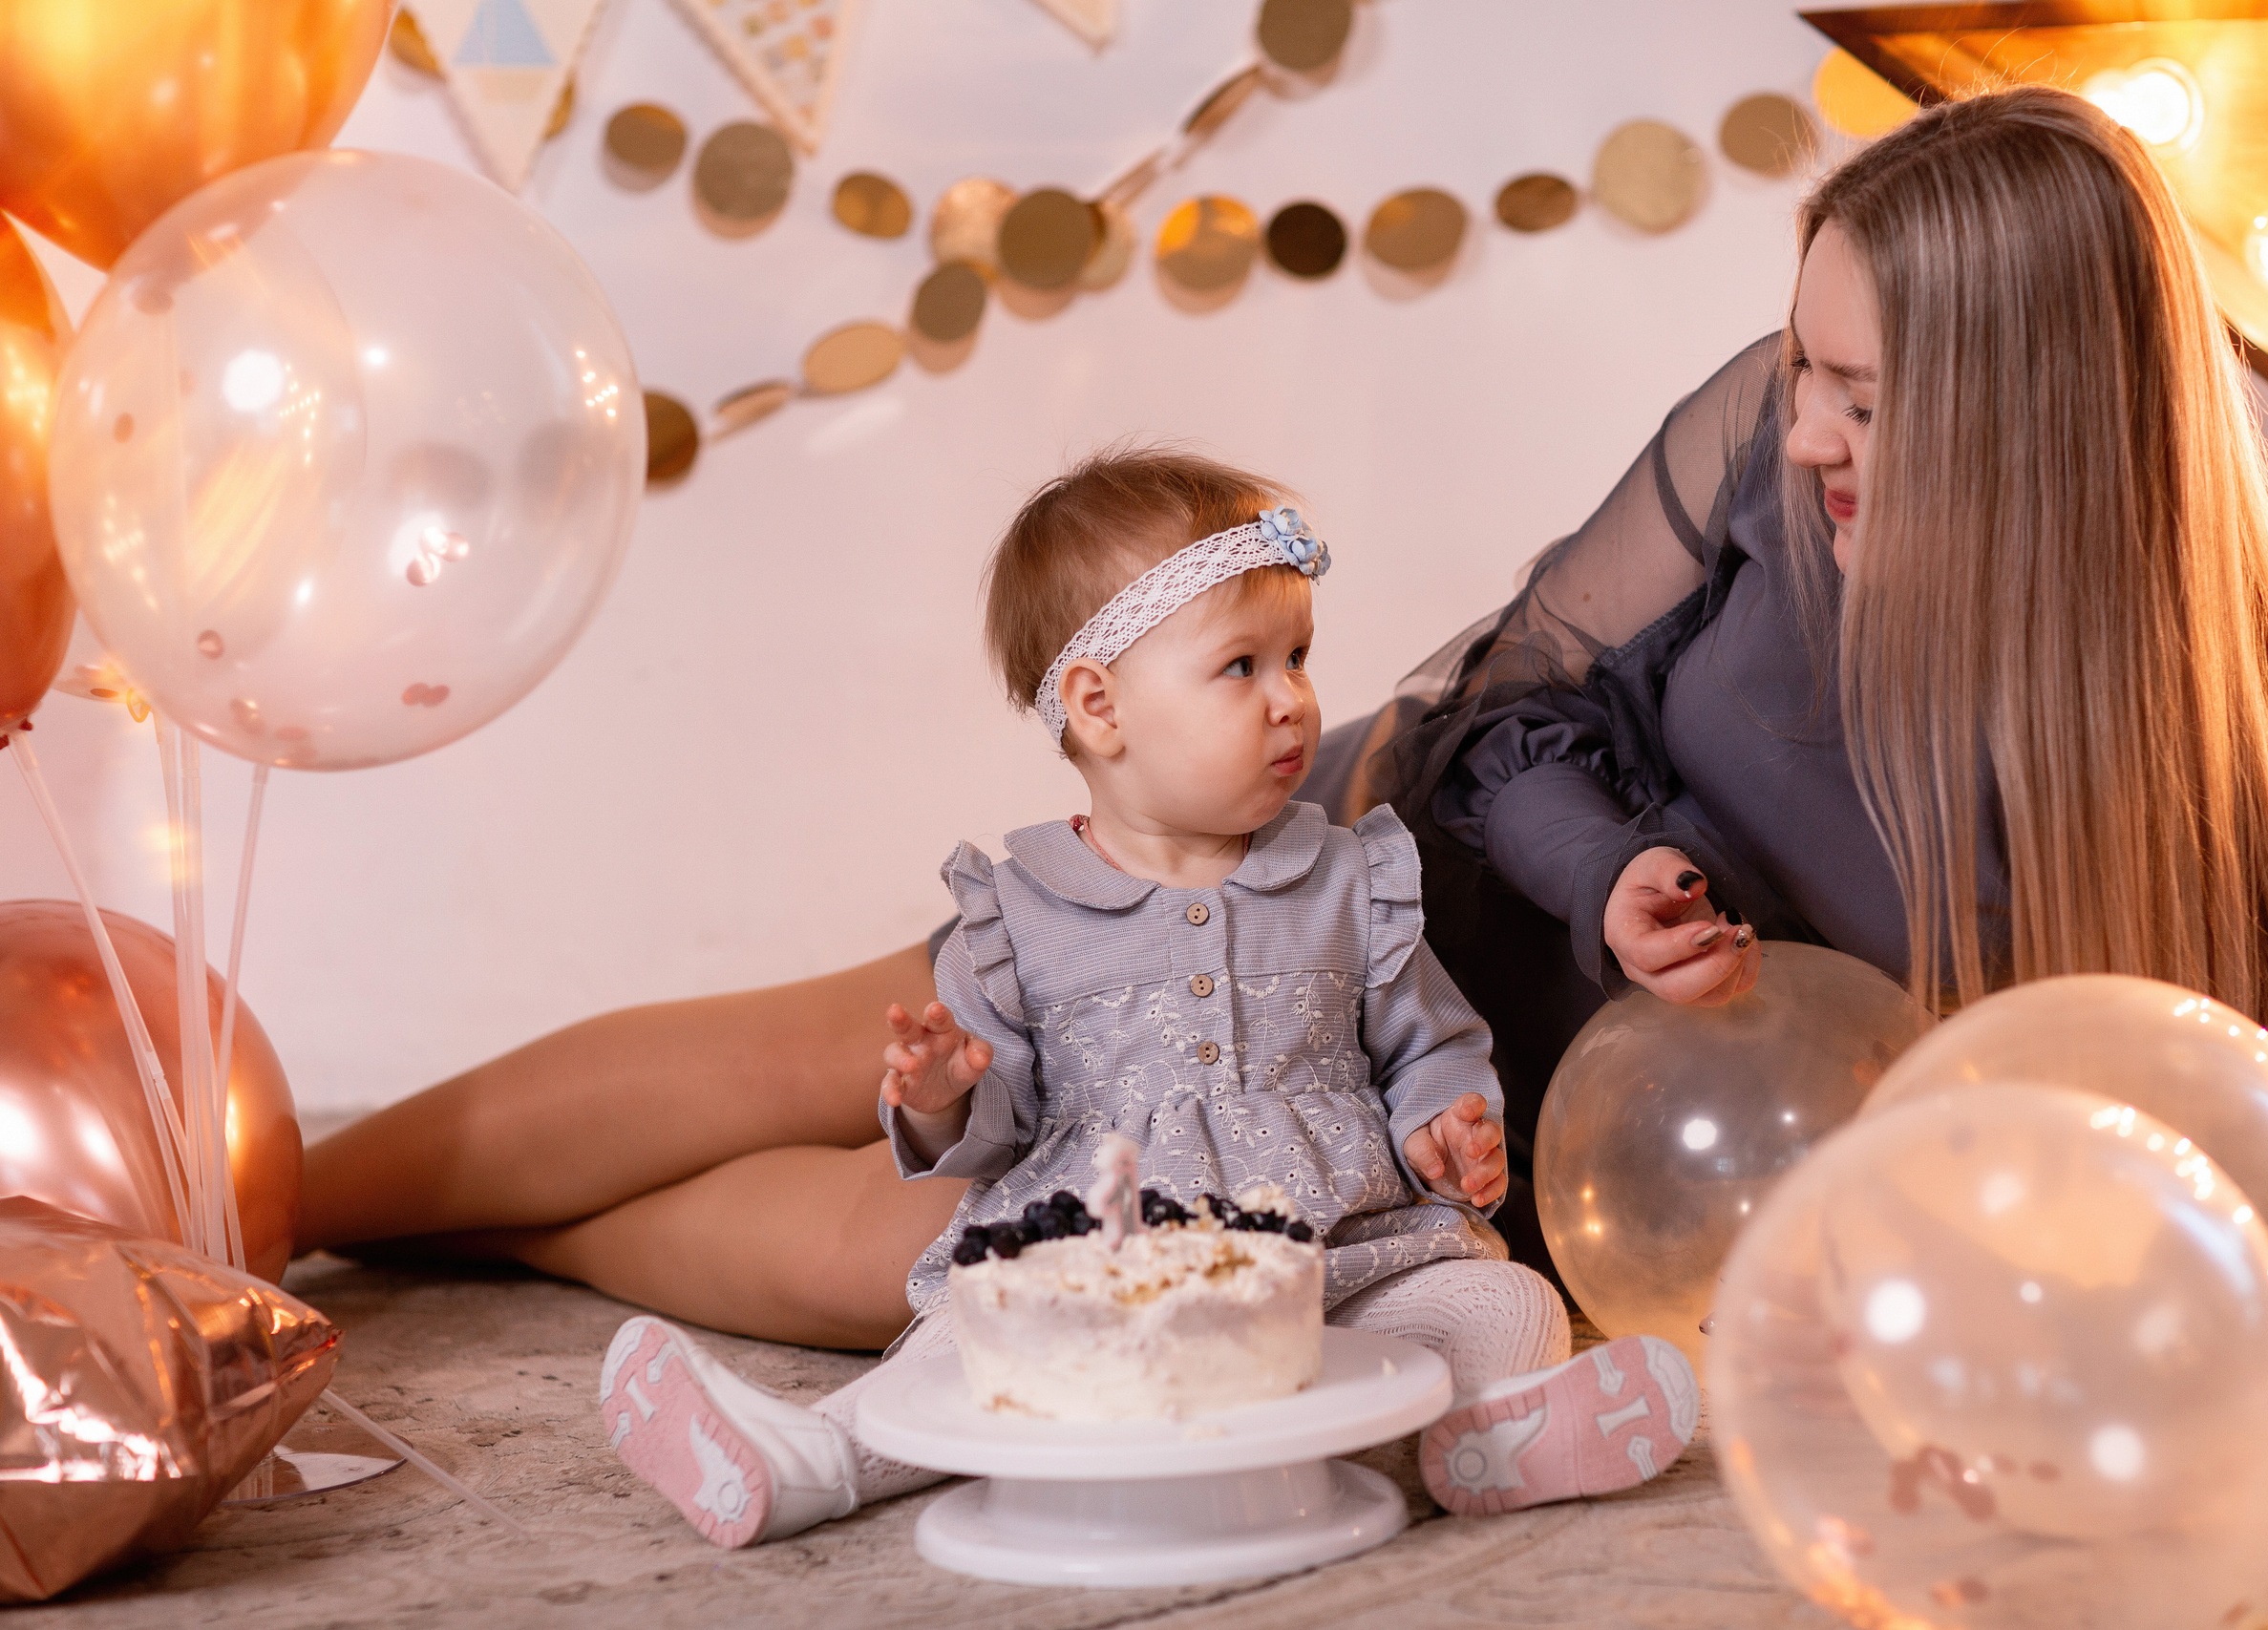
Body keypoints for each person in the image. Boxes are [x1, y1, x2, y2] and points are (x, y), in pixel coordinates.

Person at [300, 83, 2268, 1392]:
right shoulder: (1762, 467)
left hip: (1532, 1165)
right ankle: (273, 1203)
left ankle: (469, 1239)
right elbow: (1512, 700)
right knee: (839, 1045)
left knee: (921, 1267)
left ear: (2030, 426)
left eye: (1864, 398)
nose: (1806, 431)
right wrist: (1610, 865)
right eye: (1805, 363)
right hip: (1393, 912)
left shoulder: (2194, 775)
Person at [591, 450, 1698, 1547]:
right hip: (1100, 1284)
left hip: (1344, 1264)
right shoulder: (1017, 916)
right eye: (1241, 667)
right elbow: (992, 1130)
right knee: (960, 1351)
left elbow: (1429, 1045)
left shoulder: (1349, 877)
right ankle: (808, 1463)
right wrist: (938, 1096)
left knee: (1507, 1304)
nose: (1292, 702)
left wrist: (1444, 1122)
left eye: (1298, 657)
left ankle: (1484, 1446)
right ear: (1099, 705)